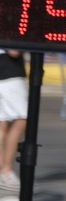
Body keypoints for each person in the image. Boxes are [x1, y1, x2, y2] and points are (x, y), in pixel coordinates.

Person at [0, 50, 26, 192]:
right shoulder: (8, 27)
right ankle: (6, 170)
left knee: (1, 122)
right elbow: (14, 51)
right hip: (10, 73)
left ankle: (3, 170)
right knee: (21, 119)